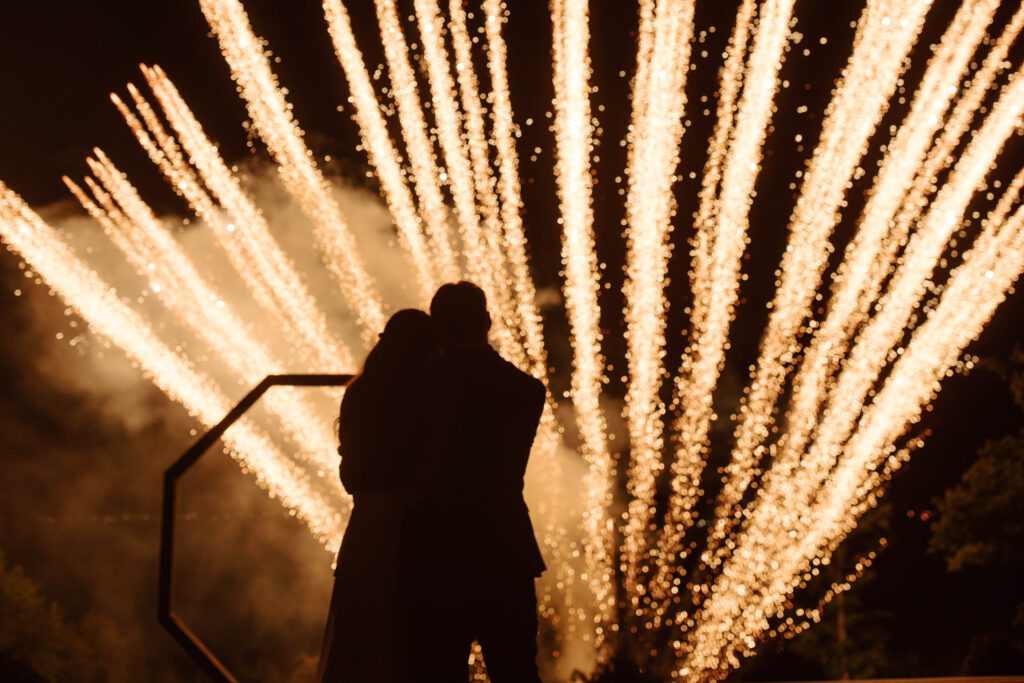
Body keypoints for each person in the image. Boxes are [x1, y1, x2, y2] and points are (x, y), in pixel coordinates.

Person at [402, 281, 547, 683]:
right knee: (515, 668)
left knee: (436, 669)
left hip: (436, 548)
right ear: (486, 321)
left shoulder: (419, 388)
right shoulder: (526, 390)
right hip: (504, 545)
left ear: (439, 328)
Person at [316, 308, 437, 683]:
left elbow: (350, 473)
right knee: (409, 644)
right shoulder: (427, 399)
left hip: (368, 529)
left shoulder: (361, 394)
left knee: (359, 642)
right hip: (412, 531)